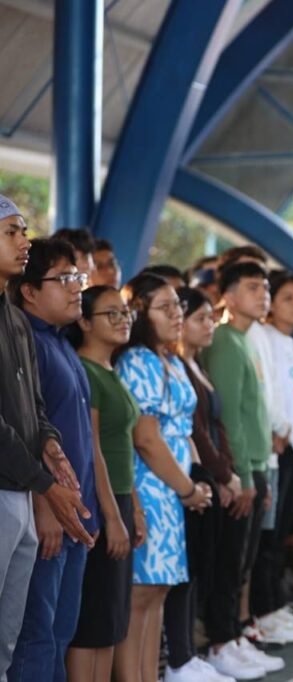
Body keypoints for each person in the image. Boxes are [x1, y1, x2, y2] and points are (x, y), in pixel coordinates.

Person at [0, 198, 93, 680]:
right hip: (20, 489)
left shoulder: (16, 322)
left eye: (23, 230)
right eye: (12, 232)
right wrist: (44, 486)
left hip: (28, 490)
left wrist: (51, 444)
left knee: (17, 636)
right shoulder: (28, 328)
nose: (24, 242)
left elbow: (34, 409)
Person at [114, 273, 212, 682]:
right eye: (165, 307)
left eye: (178, 306)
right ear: (139, 312)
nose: (177, 314)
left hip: (170, 491)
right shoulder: (137, 360)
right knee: (139, 597)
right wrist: (187, 488)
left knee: (158, 593)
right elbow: (146, 437)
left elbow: (180, 431)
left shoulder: (167, 359)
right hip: (150, 488)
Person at [201, 261, 284, 678]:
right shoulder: (226, 342)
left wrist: (260, 467)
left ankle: (233, 636)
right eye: (253, 288)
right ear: (228, 296)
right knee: (230, 562)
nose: (263, 295)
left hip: (257, 463)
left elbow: (254, 413)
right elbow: (229, 418)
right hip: (243, 469)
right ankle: (220, 641)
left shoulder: (248, 340)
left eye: (265, 287)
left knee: (244, 561)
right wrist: (245, 476)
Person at [65, 286, 144, 682]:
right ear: (83, 322)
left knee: (112, 617)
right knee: (93, 618)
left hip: (122, 498)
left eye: (125, 312)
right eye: (110, 314)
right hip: (99, 503)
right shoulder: (85, 370)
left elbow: (123, 446)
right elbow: (92, 448)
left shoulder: (112, 369)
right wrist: (111, 516)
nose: (122, 319)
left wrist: (136, 510)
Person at [163, 287, 238, 682]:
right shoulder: (173, 365)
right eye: (200, 318)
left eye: (212, 318)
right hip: (185, 477)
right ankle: (179, 654)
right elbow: (193, 431)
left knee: (199, 568)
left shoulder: (196, 366)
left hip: (205, 476)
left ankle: (187, 652)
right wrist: (221, 474)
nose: (209, 325)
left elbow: (215, 425)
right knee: (183, 572)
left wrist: (226, 471)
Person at [250, 271, 293, 642]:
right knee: (269, 535)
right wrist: (276, 429)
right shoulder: (264, 338)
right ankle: (264, 610)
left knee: (280, 534)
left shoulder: (290, 340)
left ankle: (274, 604)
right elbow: (268, 391)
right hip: (278, 446)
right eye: (289, 297)